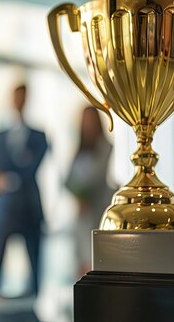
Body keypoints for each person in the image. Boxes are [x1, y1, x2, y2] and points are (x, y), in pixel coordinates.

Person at [0, 84, 48, 297]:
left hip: (30, 205)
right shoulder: (0, 135)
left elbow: (32, 166)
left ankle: (35, 297)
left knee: (35, 258)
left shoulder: (38, 135)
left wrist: (10, 175)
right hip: (6, 207)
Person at [65, 106, 115, 276]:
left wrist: (84, 194)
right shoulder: (79, 148)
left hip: (97, 210)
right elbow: (69, 178)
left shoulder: (105, 146)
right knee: (81, 260)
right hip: (81, 214)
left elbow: (98, 177)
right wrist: (77, 195)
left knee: (96, 259)